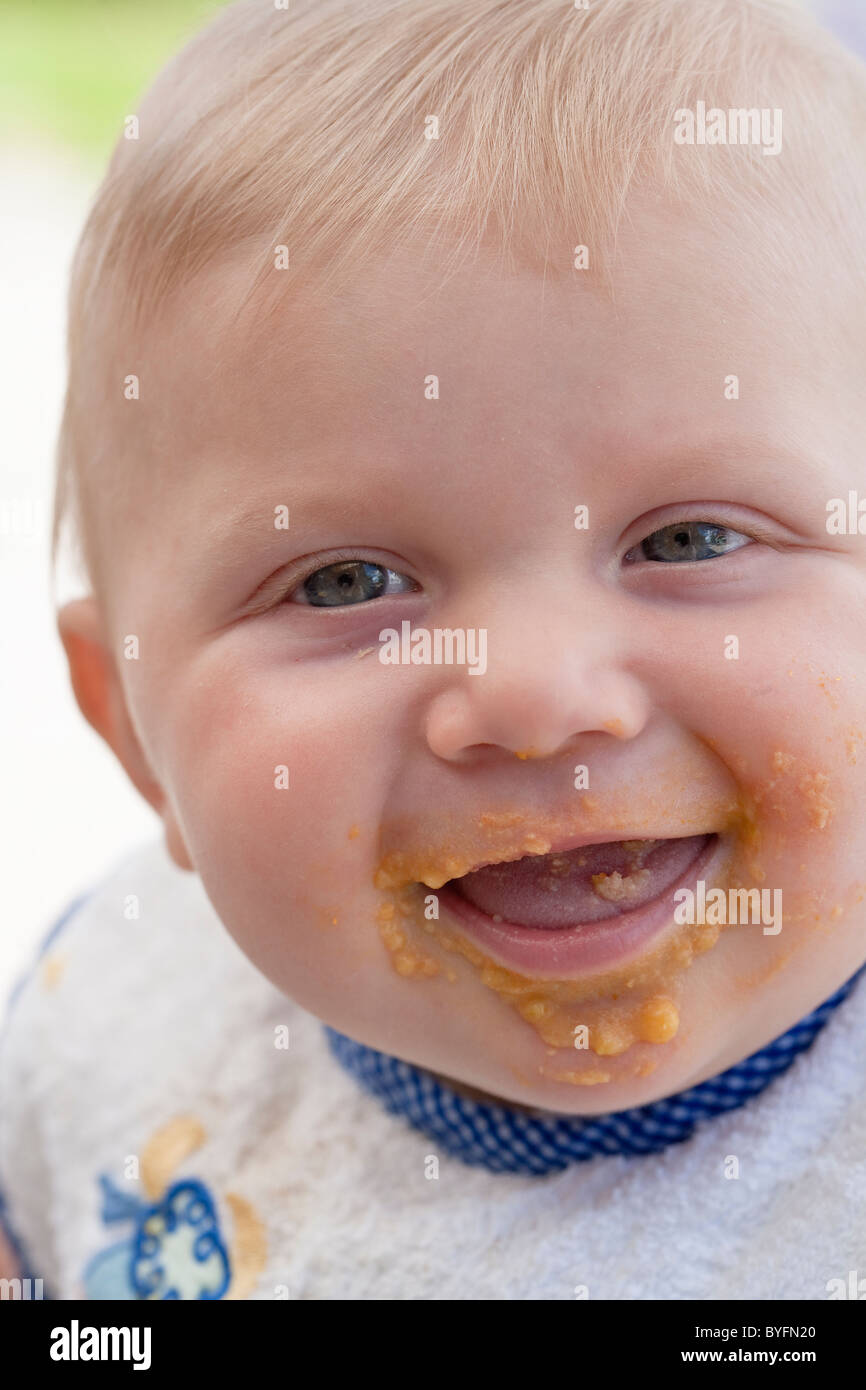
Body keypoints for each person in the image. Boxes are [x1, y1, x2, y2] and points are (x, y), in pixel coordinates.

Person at [2, 0, 865, 1299]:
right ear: (129, 732)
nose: (533, 696)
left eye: (687, 540)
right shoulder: (122, 1030)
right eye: (345, 579)